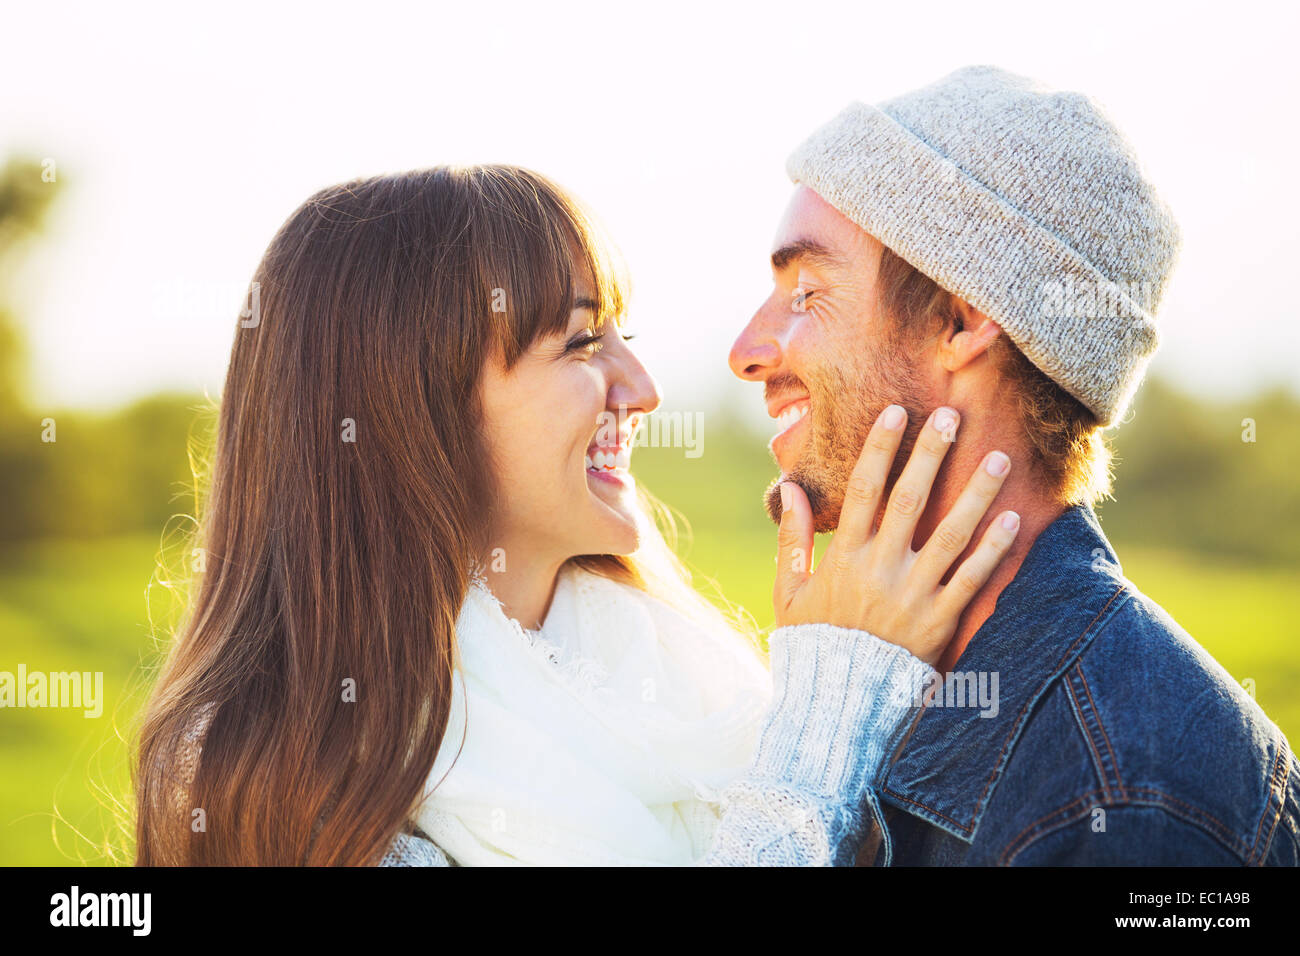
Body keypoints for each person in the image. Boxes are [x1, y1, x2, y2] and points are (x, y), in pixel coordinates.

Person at [134, 164, 1018, 867]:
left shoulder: (684, 675)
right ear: (416, 412)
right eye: (582, 341)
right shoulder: (291, 794)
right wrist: (830, 717)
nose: (642, 389)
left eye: (623, 335)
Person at [729, 65, 1300, 864]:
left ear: (961, 321)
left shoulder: (1121, 806)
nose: (746, 352)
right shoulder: (898, 688)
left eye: (807, 289)